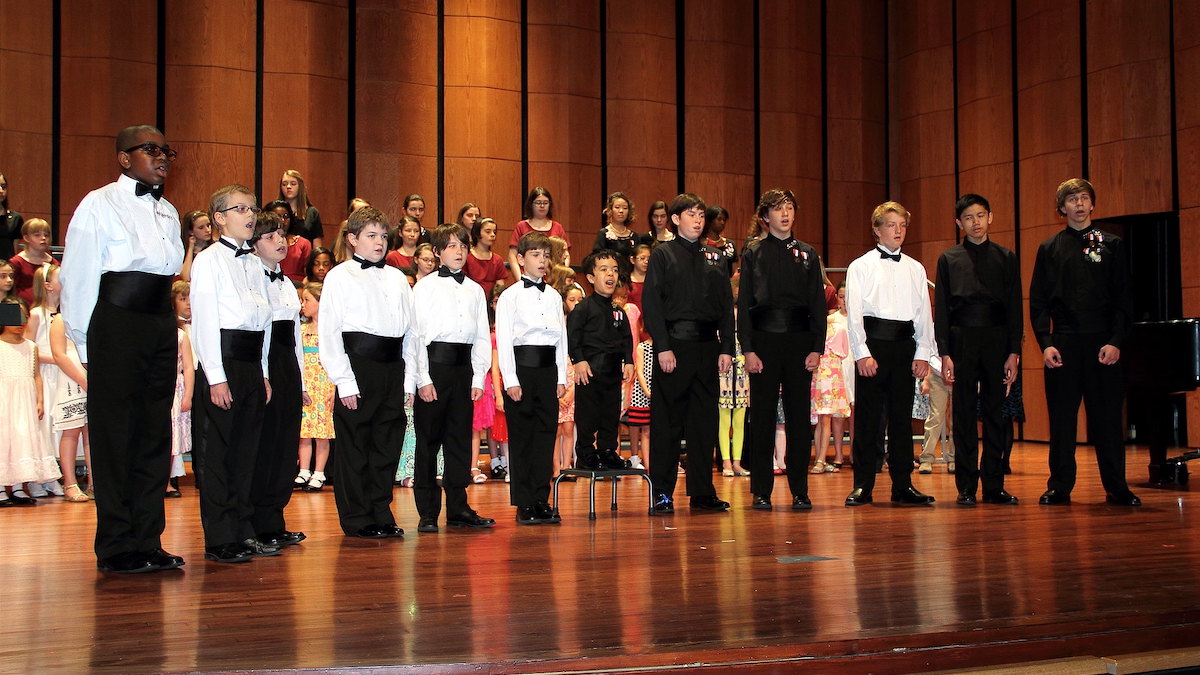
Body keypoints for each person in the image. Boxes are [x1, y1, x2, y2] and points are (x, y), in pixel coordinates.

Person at [59, 124, 186, 573]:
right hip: (114, 323)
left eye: (166, 150)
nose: (163, 157)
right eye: (151, 149)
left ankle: (148, 538)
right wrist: (85, 343)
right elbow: (76, 277)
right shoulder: (98, 204)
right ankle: (116, 546)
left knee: (155, 432)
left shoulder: (169, 210)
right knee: (116, 435)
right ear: (124, 158)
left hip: (158, 322)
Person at [1029, 178, 1139, 506]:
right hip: (1063, 343)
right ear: (1061, 208)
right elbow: (1038, 301)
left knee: (1106, 419)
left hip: (1103, 344)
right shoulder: (1049, 248)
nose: (1078, 204)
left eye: (1083, 198)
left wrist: (1117, 340)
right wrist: (1046, 343)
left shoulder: (1112, 245)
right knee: (1062, 420)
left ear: (1092, 204)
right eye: (1071, 199)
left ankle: (1116, 486)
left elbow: (1124, 299)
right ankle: (1060, 485)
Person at [190, 184, 277, 563]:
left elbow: (265, 323)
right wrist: (215, 376)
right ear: (219, 219)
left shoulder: (256, 264)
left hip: (250, 364)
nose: (250, 215)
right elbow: (205, 323)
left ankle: (244, 529)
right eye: (239, 209)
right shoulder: (208, 261)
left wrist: (264, 372)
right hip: (222, 363)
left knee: (246, 453)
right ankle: (220, 536)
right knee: (218, 455)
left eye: (252, 208)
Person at [319, 206, 415, 538]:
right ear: (352, 239)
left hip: (393, 367)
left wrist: (410, 377)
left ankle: (380, 509)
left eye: (383, 236)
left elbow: (411, 333)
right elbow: (330, 332)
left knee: (387, 443)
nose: (379, 242)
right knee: (356, 445)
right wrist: (344, 381)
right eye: (371, 236)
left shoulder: (397, 277)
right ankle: (357, 516)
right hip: (357, 367)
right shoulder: (339, 276)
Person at [643, 193, 734, 514]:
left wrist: (726, 348)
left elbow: (726, 307)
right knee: (667, 423)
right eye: (690, 214)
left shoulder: (716, 257)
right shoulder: (663, 255)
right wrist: (663, 346)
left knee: (704, 422)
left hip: (709, 348)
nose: (697, 219)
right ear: (676, 219)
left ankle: (701, 491)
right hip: (674, 348)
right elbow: (652, 304)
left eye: (700, 214)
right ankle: (662, 493)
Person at [737, 189, 826, 510]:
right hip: (763, 342)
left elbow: (817, 303)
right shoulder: (753, 254)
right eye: (778, 209)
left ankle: (800, 489)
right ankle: (761, 489)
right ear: (765, 217)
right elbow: (745, 304)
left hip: (800, 343)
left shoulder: (807, 254)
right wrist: (747, 348)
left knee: (800, 418)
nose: (785, 213)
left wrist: (817, 346)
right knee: (761, 417)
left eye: (789, 207)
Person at [844, 201, 936, 507]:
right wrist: (861, 353)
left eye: (902, 225)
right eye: (891, 225)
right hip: (873, 346)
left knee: (900, 419)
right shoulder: (861, 266)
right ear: (876, 230)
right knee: (869, 420)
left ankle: (903, 484)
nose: (898, 231)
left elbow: (923, 314)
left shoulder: (915, 268)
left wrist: (923, 351)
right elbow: (854, 313)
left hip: (903, 346)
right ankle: (863, 484)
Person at [933, 193, 1022, 504]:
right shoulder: (948, 259)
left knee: (997, 414)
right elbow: (942, 309)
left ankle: (995, 484)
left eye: (981, 215)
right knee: (965, 412)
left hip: (998, 339)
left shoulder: (1006, 257)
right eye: (969, 218)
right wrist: (945, 352)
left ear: (990, 217)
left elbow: (1014, 307)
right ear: (959, 223)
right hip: (962, 340)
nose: (976, 222)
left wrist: (1014, 351)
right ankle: (967, 486)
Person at [407, 223, 495, 532]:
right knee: (429, 442)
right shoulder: (424, 288)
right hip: (434, 368)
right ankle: (427, 512)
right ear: (437, 252)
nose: (459, 251)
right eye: (452, 246)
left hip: (464, 370)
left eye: (463, 245)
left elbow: (482, 337)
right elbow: (415, 337)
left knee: (459, 441)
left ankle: (458, 508)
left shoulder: (474, 290)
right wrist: (422, 379)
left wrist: (476, 378)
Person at [496, 232, 568, 524]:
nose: (542, 261)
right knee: (523, 437)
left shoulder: (554, 296)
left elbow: (561, 339)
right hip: (522, 371)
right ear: (522, 259)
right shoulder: (510, 296)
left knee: (544, 435)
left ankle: (541, 498)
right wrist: (510, 380)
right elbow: (503, 339)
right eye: (536, 255)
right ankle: (524, 502)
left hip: (548, 370)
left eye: (546, 255)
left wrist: (561, 376)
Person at [248, 213, 308, 547]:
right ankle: (256, 521)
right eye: (270, 236)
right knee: (265, 444)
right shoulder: (251, 277)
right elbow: (262, 333)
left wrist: (299, 383)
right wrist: (265, 374)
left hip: (286, 364)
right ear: (254, 244)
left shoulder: (286, 282)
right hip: (264, 362)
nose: (280, 241)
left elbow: (294, 334)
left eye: (281, 234)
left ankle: (274, 518)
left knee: (286, 445)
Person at [567, 250, 634, 473]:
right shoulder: (583, 309)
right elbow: (573, 337)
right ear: (591, 277)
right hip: (590, 371)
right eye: (604, 269)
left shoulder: (618, 311)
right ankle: (585, 453)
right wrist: (579, 361)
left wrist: (629, 361)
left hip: (613, 372)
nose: (611, 274)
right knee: (587, 414)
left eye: (614, 270)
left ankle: (607, 451)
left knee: (610, 414)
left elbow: (626, 338)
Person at [0, 297, 57, 505]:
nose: (19, 322)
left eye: (22, 317)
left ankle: (17, 487)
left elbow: (36, 375)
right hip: (4, 400)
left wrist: (40, 399)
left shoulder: (31, 347)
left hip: (24, 401)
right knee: (3, 440)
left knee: (22, 440)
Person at [48, 309, 91, 502]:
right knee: (71, 431)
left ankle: (94, 481)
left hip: (92, 376)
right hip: (71, 380)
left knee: (92, 433)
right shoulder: (60, 319)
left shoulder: (89, 312)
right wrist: (82, 379)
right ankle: (70, 483)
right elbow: (59, 354)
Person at [296, 281, 334, 491]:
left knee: (322, 432)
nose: (303, 304)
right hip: (307, 385)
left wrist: (335, 388)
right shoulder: (301, 330)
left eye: (307, 300)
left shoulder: (330, 331)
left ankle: (319, 472)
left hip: (324, 385)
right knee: (304, 431)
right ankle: (304, 470)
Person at [811, 281, 851, 473]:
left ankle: (820, 458)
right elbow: (842, 352)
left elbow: (843, 352)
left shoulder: (836, 328)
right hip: (824, 375)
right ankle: (820, 458)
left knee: (825, 418)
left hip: (829, 377)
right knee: (822, 419)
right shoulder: (827, 328)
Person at [167, 281, 193, 497]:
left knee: (173, 435)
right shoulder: (168, 331)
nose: (189, 303)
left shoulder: (182, 335)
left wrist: (189, 395)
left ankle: (170, 479)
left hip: (178, 388)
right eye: (183, 299)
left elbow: (188, 367)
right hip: (160, 386)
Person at [508, 187, 567, 283]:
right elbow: (512, 256)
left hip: (554, 280)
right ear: (531, 204)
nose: (542, 206)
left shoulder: (557, 227)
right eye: (538, 203)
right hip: (528, 278)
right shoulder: (522, 226)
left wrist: (561, 276)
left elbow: (565, 255)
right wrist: (521, 279)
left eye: (545, 203)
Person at [9, 218, 58, 304]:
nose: (43, 238)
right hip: (23, 307)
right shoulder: (16, 262)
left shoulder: (53, 263)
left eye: (46, 235)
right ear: (26, 238)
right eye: (37, 235)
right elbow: (10, 289)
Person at [262, 200, 312, 282]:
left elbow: (310, 274)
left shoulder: (304, 243)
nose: (282, 220)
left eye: (286, 216)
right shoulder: (261, 242)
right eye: (277, 216)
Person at [593, 192, 640, 277]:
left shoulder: (634, 236)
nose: (621, 211)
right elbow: (597, 258)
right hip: (610, 278)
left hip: (631, 278)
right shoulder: (603, 234)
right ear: (610, 210)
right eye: (617, 207)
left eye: (625, 208)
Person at [466, 217, 509, 300]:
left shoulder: (497, 259)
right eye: (488, 231)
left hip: (491, 302)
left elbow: (500, 287)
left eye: (494, 232)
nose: (493, 235)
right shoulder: (467, 258)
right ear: (477, 233)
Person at [279, 170, 323, 248]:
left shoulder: (312, 213)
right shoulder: (274, 211)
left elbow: (317, 246)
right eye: (284, 184)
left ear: (300, 186)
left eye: (293, 184)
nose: (288, 187)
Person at [703, 205, 737, 277]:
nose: (722, 222)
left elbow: (733, 269)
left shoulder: (730, 244)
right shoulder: (700, 244)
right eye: (719, 219)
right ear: (709, 220)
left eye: (724, 220)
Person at [179, 210, 213, 282]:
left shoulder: (215, 247)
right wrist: (190, 248)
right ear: (190, 231)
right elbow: (186, 277)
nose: (207, 230)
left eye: (208, 225)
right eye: (201, 227)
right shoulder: (182, 250)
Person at [0, 172, 25, 260]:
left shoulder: (15, 218)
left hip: (5, 269)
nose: (1, 191)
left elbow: (14, 250)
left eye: (3, 187)